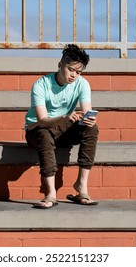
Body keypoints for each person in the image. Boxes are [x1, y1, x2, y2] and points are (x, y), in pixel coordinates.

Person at [24, 44, 99, 209]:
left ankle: (81, 186)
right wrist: (64, 117)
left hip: (62, 131)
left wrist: (89, 120)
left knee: (92, 128)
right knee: (44, 132)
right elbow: (42, 120)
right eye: (71, 70)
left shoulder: (82, 84)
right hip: (36, 130)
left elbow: (87, 111)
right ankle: (50, 193)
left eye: (79, 72)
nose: (74, 75)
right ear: (60, 65)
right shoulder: (41, 84)